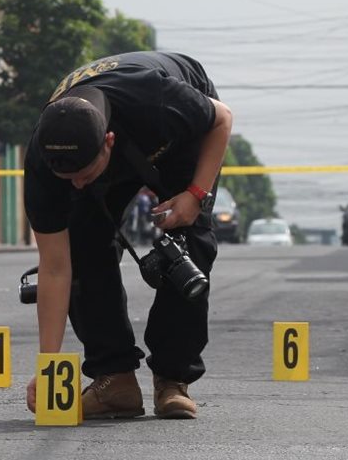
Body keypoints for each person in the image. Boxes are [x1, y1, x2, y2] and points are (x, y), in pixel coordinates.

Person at [23, 51, 233, 419]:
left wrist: (195, 195)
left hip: (174, 139)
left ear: (108, 141)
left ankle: (172, 379)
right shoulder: (43, 162)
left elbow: (222, 118)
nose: (77, 184)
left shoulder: (157, 101)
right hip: (117, 142)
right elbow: (55, 268)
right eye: (68, 179)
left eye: (85, 175)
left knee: (189, 243)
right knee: (83, 246)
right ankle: (114, 377)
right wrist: (47, 365)